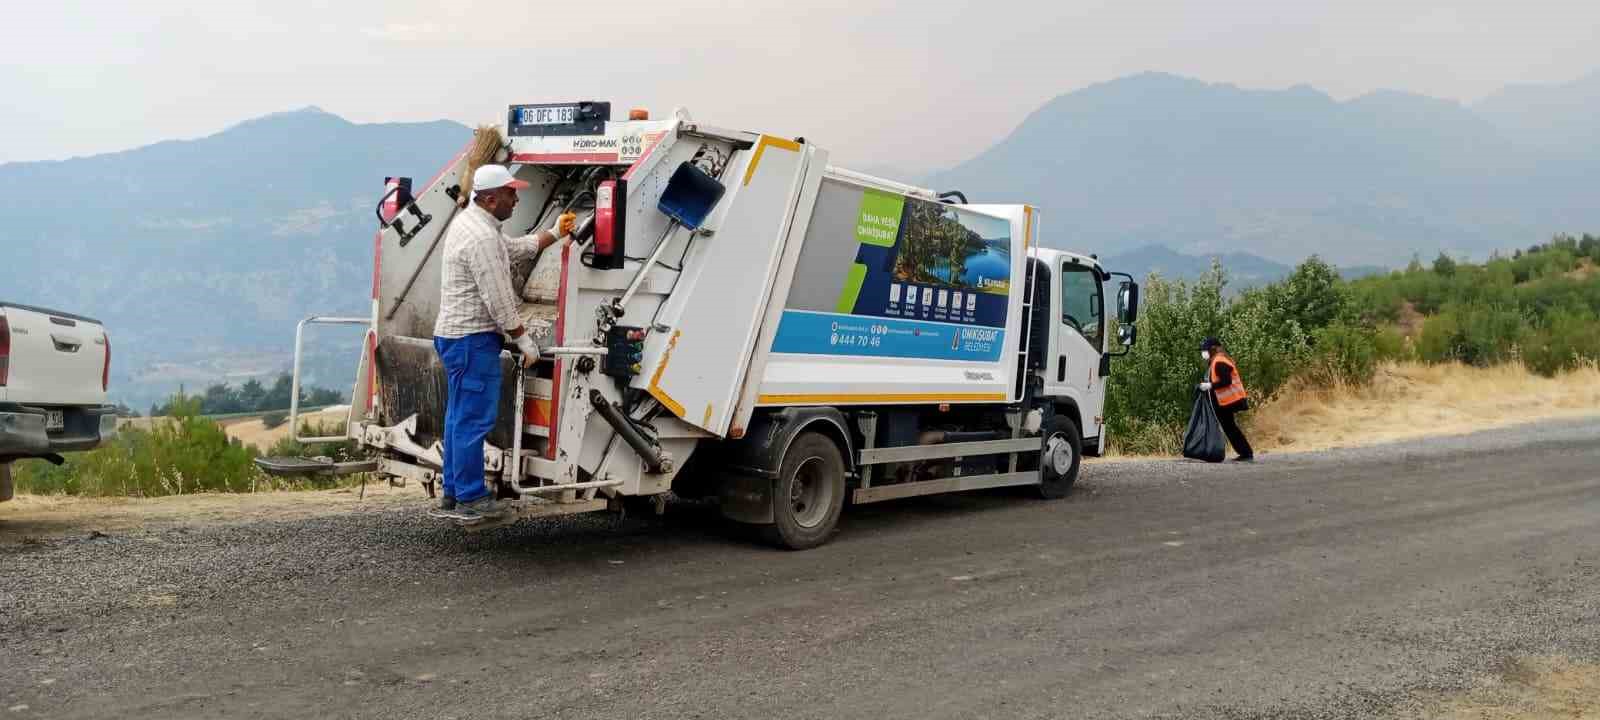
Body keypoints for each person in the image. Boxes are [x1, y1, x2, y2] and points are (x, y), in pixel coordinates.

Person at [433, 164, 576, 520]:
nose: (517, 198)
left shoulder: (475, 225)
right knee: (472, 421)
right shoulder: (480, 237)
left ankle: (453, 492)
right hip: (472, 340)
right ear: (491, 197)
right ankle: (470, 498)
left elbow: (513, 249)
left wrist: (553, 233)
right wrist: (524, 340)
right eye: (512, 193)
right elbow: (499, 301)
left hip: (455, 338)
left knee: (457, 418)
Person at [1198, 337, 1254, 462]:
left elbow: (1226, 381)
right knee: (1230, 427)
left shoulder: (1219, 361)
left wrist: (1210, 385)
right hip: (1226, 401)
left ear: (1213, 348)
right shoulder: (1217, 360)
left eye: (1205, 350)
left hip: (1229, 400)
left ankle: (1246, 453)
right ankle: (1245, 453)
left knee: (1230, 427)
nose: (1203, 353)